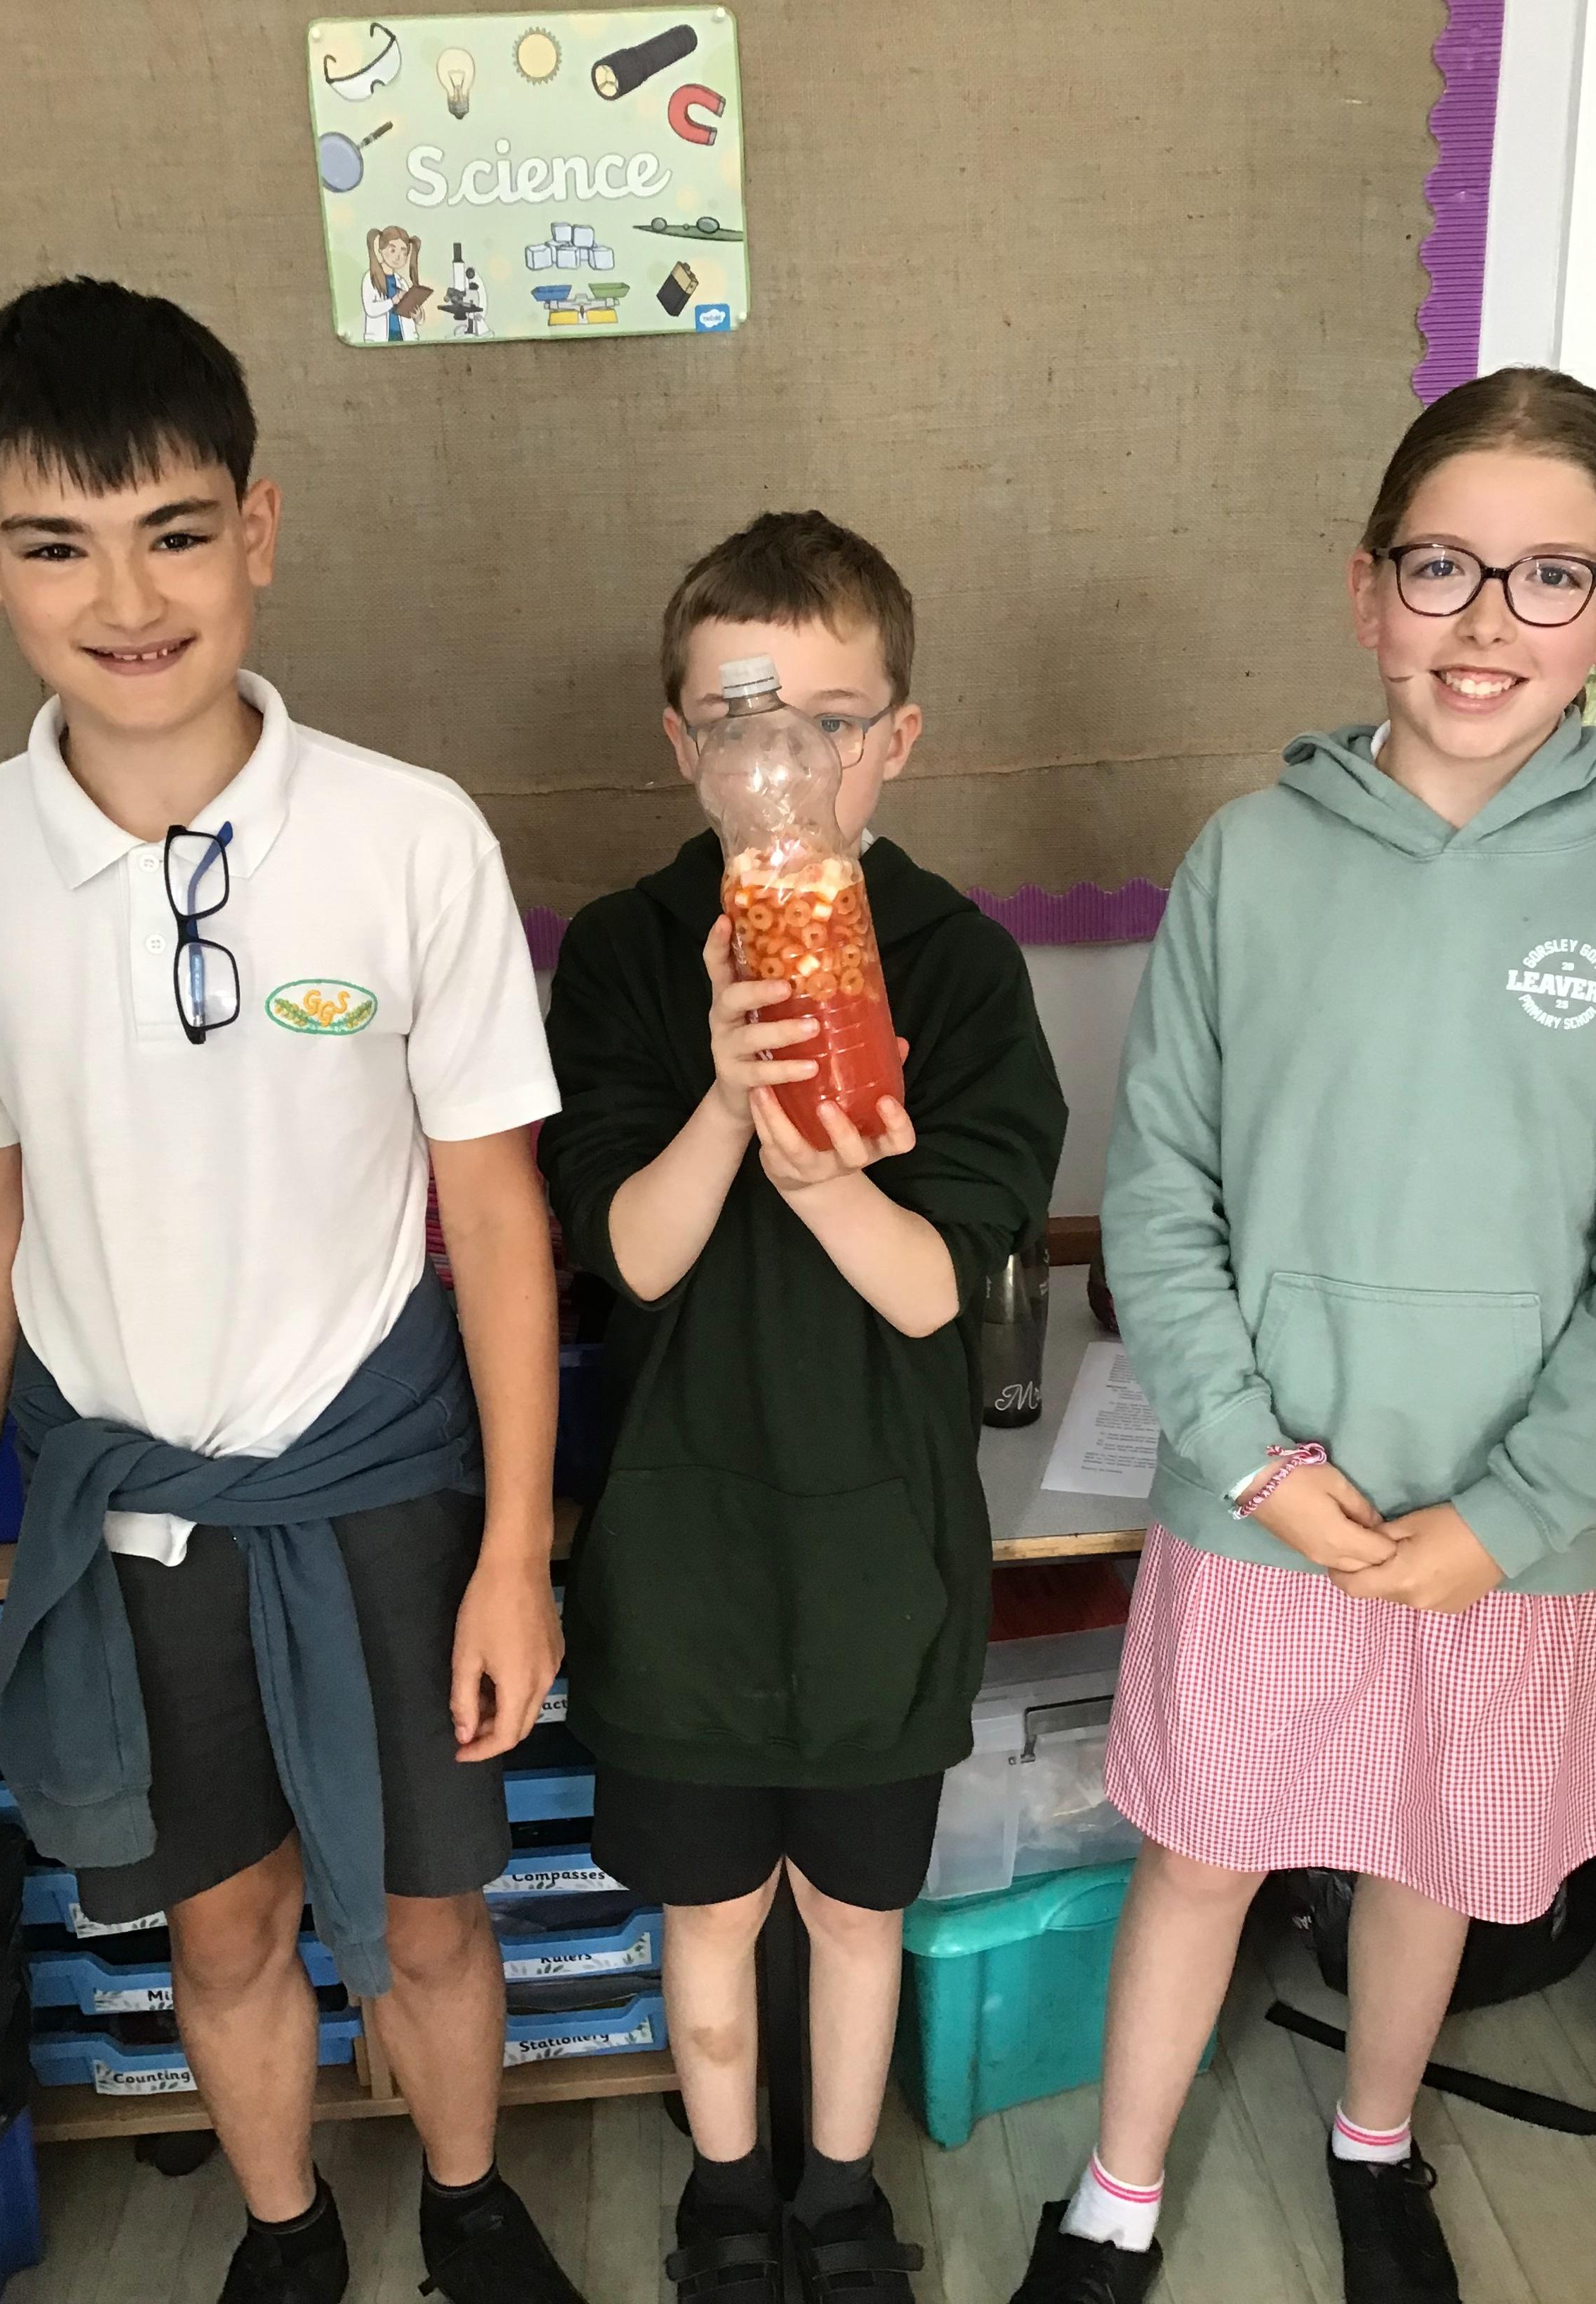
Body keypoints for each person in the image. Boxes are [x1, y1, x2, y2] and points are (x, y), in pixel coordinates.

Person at [0, 278, 581, 2304]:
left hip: (383, 1488)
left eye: (176, 532)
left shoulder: (407, 836)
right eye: (55, 544)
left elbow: (499, 1215)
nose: (127, 599)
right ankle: (286, 2234)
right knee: (221, 1929)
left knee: (430, 1921)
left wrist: (513, 1554)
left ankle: (468, 2207)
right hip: (132, 1507)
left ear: (260, 528)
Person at [1011, 366, 1596, 2304]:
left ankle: (1374, 2149)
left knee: (1427, 1859)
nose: (1486, 620)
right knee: (1201, 1856)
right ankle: (1117, 2196)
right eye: (1441, 565)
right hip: (1259, 1502)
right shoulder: (1249, 860)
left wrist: (1510, 1512)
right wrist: (1258, 1462)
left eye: (1550, 576)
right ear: (1365, 586)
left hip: (1501, 1529)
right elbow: (1159, 1199)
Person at [538, 510, 1067, 2303]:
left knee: (855, 1908)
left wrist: (827, 1164)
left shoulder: (959, 962)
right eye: (741, 723)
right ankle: (723, 2197)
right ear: (679, 742)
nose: (789, 764)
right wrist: (721, 1089)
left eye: (833, 722)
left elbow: (928, 1287)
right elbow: (634, 1252)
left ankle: (839, 2196)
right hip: (678, 1547)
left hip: (879, 1555)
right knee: (708, 1911)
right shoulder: (627, 950)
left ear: (896, 738)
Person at [363, 227, 425, 343]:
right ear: (381, 250)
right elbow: (370, 309)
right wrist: (393, 301)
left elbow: (418, 319)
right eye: (393, 251)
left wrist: (418, 316)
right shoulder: (371, 278)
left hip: (405, 339)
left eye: (404, 253)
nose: (398, 257)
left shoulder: (401, 282)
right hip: (380, 340)